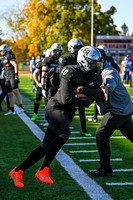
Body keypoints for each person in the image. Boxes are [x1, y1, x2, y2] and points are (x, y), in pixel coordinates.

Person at [9, 46, 104, 187]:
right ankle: (43, 170)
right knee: (64, 134)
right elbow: (66, 99)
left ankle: (18, 171)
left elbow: (100, 96)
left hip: (68, 112)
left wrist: (83, 90)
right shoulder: (71, 71)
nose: (96, 66)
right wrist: (85, 101)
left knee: (45, 147)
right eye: (93, 63)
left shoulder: (94, 75)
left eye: (97, 63)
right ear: (84, 61)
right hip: (55, 108)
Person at [90, 49, 133, 177]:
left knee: (101, 135)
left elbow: (111, 79)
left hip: (118, 110)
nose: (94, 64)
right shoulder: (96, 71)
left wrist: (107, 87)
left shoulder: (108, 71)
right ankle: (105, 168)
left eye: (96, 62)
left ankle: (106, 169)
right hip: (123, 108)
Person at [59, 38, 91, 137]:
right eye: (76, 47)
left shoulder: (83, 57)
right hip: (69, 86)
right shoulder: (65, 59)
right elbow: (61, 74)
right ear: (70, 48)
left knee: (82, 109)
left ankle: (84, 130)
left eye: (79, 47)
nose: (78, 49)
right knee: (68, 109)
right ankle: (63, 129)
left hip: (80, 86)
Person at [88, 45, 121, 123]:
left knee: (99, 98)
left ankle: (96, 117)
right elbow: (118, 69)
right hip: (107, 80)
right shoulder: (109, 59)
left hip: (103, 80)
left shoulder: (100, 61)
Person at [0, 44, 24, 115]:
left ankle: (21, 107)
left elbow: (15, 65)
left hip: (12, 76)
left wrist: (16, 76)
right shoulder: (4, 58)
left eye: (1, 51)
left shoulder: (10, 56)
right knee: (9, 94)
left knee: (16, 91)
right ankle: (12, 110)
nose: (0, 52)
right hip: (7, 77)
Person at [31, 50, 50, 121]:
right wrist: (37, 83)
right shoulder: (42, 63)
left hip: (50, 85)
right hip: (42, 85)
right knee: (37, 99)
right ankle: (35, 113)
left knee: (47, 102)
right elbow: (35, 73)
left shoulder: (54, 62)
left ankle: (47, 117)